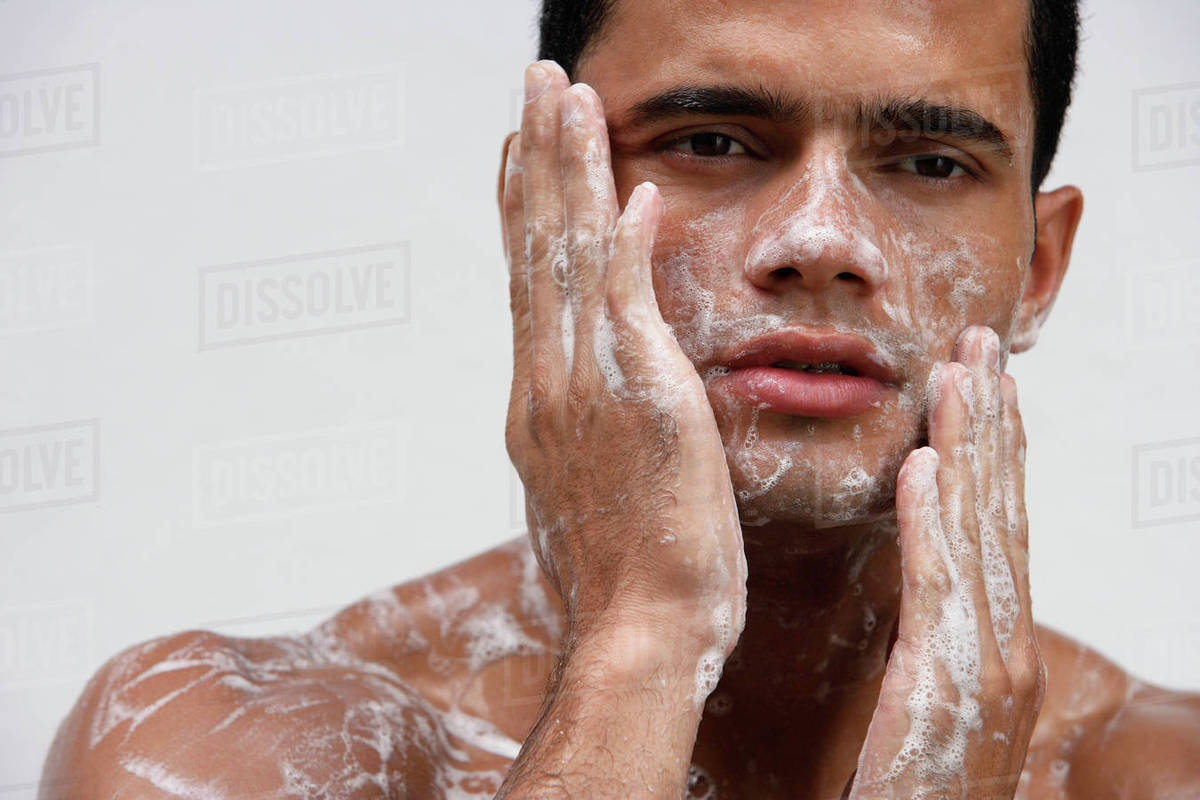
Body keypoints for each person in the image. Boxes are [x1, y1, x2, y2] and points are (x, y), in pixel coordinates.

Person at [40, 0, 1200, 798]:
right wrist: (642, 640)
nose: (820, 241)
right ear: (544, 211)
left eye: (932, 162)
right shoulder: (224, 749)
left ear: (1039, 265)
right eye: (713, 138)